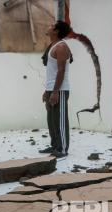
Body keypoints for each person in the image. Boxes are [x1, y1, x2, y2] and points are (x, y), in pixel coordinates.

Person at [39, 21, 72, 158]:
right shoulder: (52, 46)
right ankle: (55, 145)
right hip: (51, 89)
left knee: (60, 120)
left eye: (51, 26)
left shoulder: (62, 47)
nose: (49, 26)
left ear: (56, 31)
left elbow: (61, 71)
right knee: (52, 120)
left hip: (60, 90)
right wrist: (47, 90)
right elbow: (52, 72)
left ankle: (63, 149)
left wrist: (55, 91)